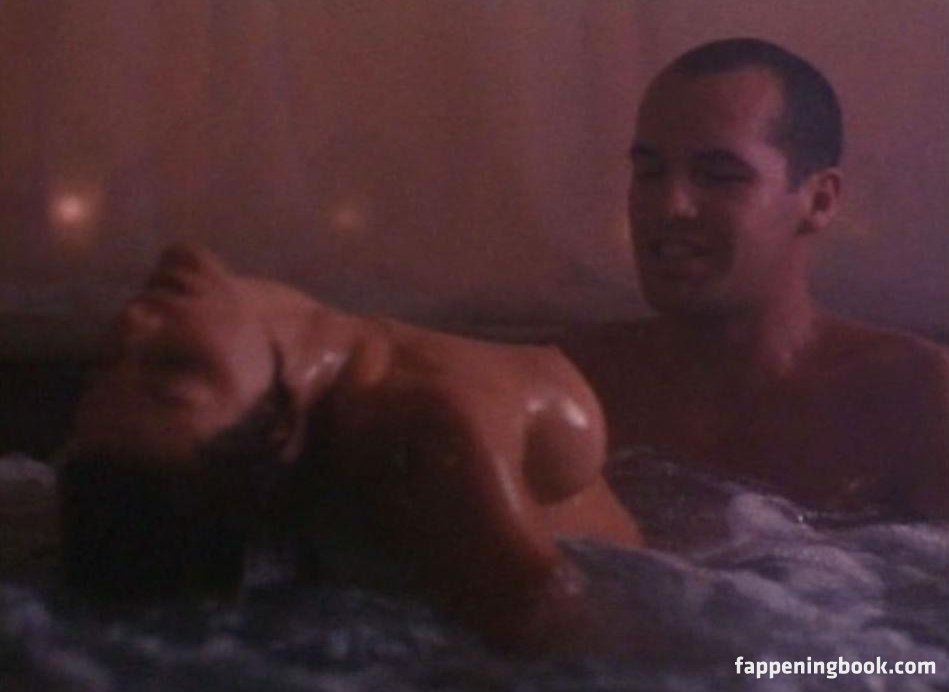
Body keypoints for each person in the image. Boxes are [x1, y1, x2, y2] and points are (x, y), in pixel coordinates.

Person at [61, 242, 641, 648]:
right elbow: (566, 634)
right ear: (277, 434)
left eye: (106, 359)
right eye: (176, 367)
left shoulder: (303, 348)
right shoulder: (435, 431)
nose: (132, 326)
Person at [560, 38, 949, 519]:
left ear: (820, 201)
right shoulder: (577, 385)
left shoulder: (916, 400)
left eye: (719, 175)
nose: (670, 205)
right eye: (650, 172)